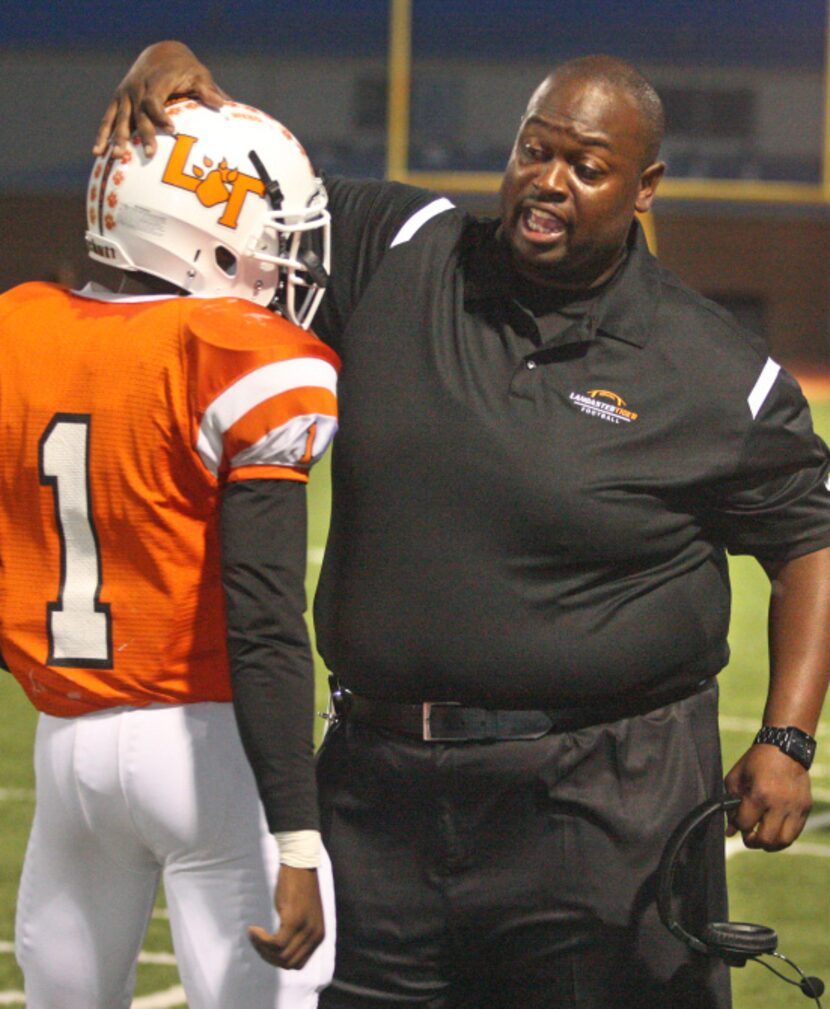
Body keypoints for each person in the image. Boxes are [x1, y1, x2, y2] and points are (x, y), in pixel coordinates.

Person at [97, 46, 830, 1009]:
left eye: (586, 167)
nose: (547, 182)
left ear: (645, 187)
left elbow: (809, 546)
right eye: (535, 150)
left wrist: (787, 735)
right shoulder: (404, 247)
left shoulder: (711, 369)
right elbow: (262, 192)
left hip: (603, 807)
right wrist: (186, 78)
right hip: (379, 792)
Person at [1, 98, 339, 1009]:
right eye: (276, 233)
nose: (289, 258)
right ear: (209, 232)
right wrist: (298, 838)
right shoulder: (233, 353)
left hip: (67, 753)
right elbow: (265, 617)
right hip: (212, 753)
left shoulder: (18, 330)